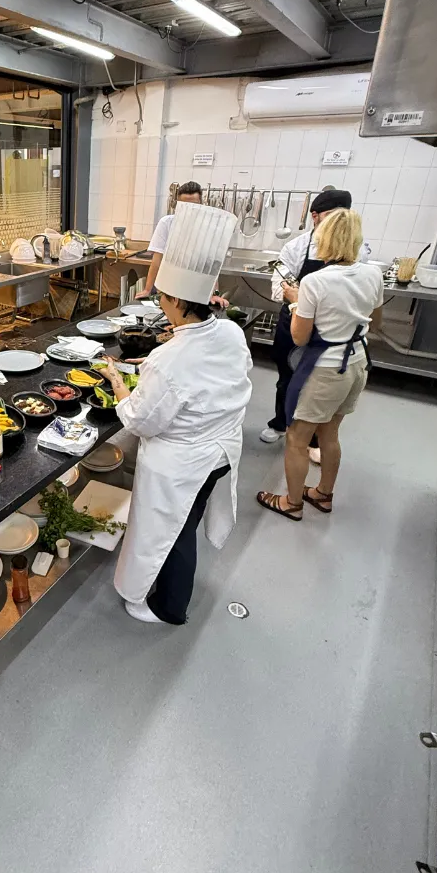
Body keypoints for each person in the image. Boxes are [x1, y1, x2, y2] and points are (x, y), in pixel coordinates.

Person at [105, 201, 252, 625]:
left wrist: (117, 382)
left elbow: (140, 420)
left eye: (162, 298)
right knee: (188, 519)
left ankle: (170, 608)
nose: (160, 304)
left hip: (184, 464)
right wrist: (166, 354)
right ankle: (169, 592)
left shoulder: (169, 359)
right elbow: (222, 377)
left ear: (176, 301)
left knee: (175, 531)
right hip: (222, 451)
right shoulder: (229, 331)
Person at [257, 209, 383, 521]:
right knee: (330, 433)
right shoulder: (373, 274)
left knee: (297, 438)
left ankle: (292, 502)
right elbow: (375, 322)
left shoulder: (315, 282)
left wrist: (295, 300)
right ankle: (323, 493)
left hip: (325, 369)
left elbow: (299, 337)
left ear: (323, 239)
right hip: (356, 362)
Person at [260, 188, 371, 464]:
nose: (336, 223)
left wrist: (308, 298)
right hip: (294, 321)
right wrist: (297, 298)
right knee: (287, 377)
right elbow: (278, 285)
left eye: (342, 216)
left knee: (318, 386)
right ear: (315, 216)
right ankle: (281, 422)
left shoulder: (360, 252)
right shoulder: (296, 247)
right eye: (331, 216)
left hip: (332, 332)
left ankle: (312, 439)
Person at [136, 182, 203, 298]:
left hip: (196, 289)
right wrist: (147, 289)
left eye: (194, 206)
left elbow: (211, 266)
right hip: (168, 288)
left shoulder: (207, 227)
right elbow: (156, 261)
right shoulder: (166, 223)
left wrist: (214, 294)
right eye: (184, 206)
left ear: (201, 204)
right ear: (178, 205)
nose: (189, 210)